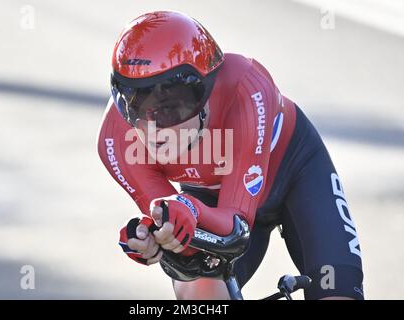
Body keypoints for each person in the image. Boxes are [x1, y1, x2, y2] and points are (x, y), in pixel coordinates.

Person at [97, 11, 364, 300]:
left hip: (296, 173)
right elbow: (181, 238)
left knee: (336, 292)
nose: (152, 128)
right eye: (135, 106)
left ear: (204, 92)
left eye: (171, 106)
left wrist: (188, 208)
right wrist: (155, 238)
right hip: (214, 200)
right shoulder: (115, 139)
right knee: (200, 294)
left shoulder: (247, 88)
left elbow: (236, 227)